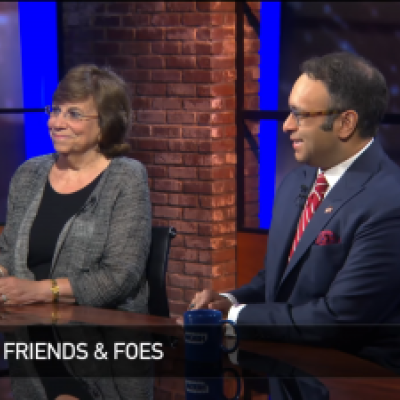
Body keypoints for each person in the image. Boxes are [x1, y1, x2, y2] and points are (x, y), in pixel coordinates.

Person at [188, 52, 400, 366]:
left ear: (346, 123)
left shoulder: (390, 202)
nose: (287, 125)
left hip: (354, 377)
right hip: (285, 371)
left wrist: (236, 316)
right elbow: (277, 280)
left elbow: (338, 320)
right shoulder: (295, 182)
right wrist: (229, 300)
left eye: (300, 115)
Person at [0, 64, 152, 399]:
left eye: (74, 114)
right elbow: (7, 253)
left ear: (105, 124)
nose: (56, 122)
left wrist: (37, 291)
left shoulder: (126, 177)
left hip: (102, 348)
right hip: (31, 342)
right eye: (55, 110)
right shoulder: (28, 173)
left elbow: (120, 277)